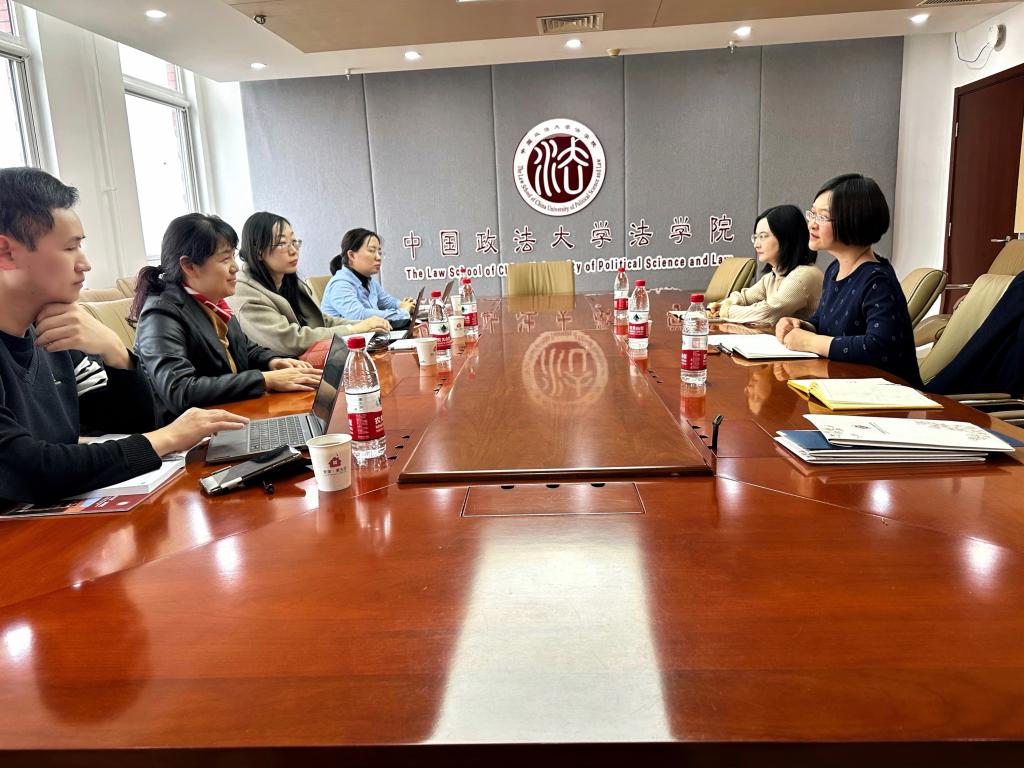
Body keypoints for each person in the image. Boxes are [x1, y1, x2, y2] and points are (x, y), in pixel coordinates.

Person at [0, 168, 247, 505]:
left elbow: (135, 423)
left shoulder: (55, 332)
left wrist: (117, 354)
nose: (85, 264)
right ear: (6, 252)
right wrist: (167, 438)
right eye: (70, 248)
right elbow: (27, 469)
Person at [132, 213, 321, 424]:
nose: (235, 267)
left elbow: (245, 349)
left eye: (233, 256)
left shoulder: (212, 302)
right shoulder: (160, 314)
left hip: (231, 415)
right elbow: (180, 391)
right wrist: (264, 379)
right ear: (189, 266)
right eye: (224, 259)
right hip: (192, 435)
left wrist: (273, 361)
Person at [775, 174, 921, 387]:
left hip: (886, 395)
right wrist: (801, 325)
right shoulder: (834, 269)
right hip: (844, 385)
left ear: (854, 221)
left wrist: (812, 342)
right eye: (812, 214)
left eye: (823, 217)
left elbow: (879, 347)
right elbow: (824, 322)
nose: (812, 224)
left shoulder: (877, 280)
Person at [228, 212, 389, 358]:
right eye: (282, 243)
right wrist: (354, 330)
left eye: (294, 242)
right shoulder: (245, 293)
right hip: (283, 374)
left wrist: (364, 326)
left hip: (310, 364)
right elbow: (291, 341)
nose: (293, 250)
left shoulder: (288, 281)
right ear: (259, 252)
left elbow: (321, 321)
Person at [707, 204, 822, 324]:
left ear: (787, 237)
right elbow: (744, 298)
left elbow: (768, 313)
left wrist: (725, 311)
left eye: (763, 236)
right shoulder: (773, 276)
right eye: (755, 237)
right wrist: (721, 305)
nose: (756, 244)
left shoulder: (804, 275)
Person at [320, 228, 415, 329]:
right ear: (351, 255)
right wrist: (403, 312)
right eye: (372, 251)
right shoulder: (340, 284)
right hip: (346, 339)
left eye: (379, 252)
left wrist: (405, 305)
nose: (378, 257)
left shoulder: (369, 281)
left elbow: (387, 302)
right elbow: (360, 316)